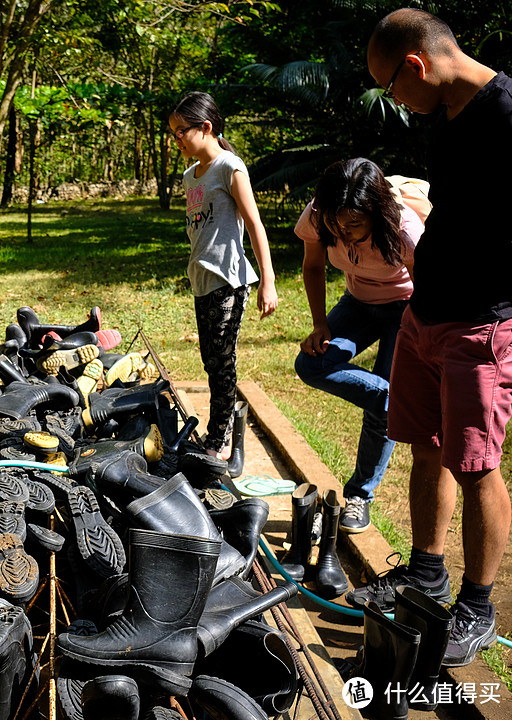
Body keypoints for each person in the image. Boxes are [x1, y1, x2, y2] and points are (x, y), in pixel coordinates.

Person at [350, 8, 512, 668]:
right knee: (423, 447)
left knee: (478, 469)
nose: (399, 104)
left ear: (414, 65)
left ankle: (476, 603)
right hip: (425, 314)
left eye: (391, 88)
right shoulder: (447, 117)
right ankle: (424, 572)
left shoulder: (506, 114)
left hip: (480, 325)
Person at [294, 158, 426, 534]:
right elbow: (313, 266)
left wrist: (423, 335)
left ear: (377, 211)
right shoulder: (321, 213)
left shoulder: (404, 228)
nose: (344, 232)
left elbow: (426, 287)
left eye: (355, 224)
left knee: (381, 411)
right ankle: (392, 400)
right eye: (338, 224)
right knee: (311, 365)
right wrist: (320, 324)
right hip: (357, 303)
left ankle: (359, 497)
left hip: (406, 307)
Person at [168, 91, 278, 463]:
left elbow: (254, 224)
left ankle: (219, 440)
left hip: (229, 279)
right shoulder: (190, 176)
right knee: (210, 360)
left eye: (182, 131)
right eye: (173, 133)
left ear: (207, 127)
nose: (177, 139)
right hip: (202, 279)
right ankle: (227, 424)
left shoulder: (230, 168)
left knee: (221, 361)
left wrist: (268, 280)